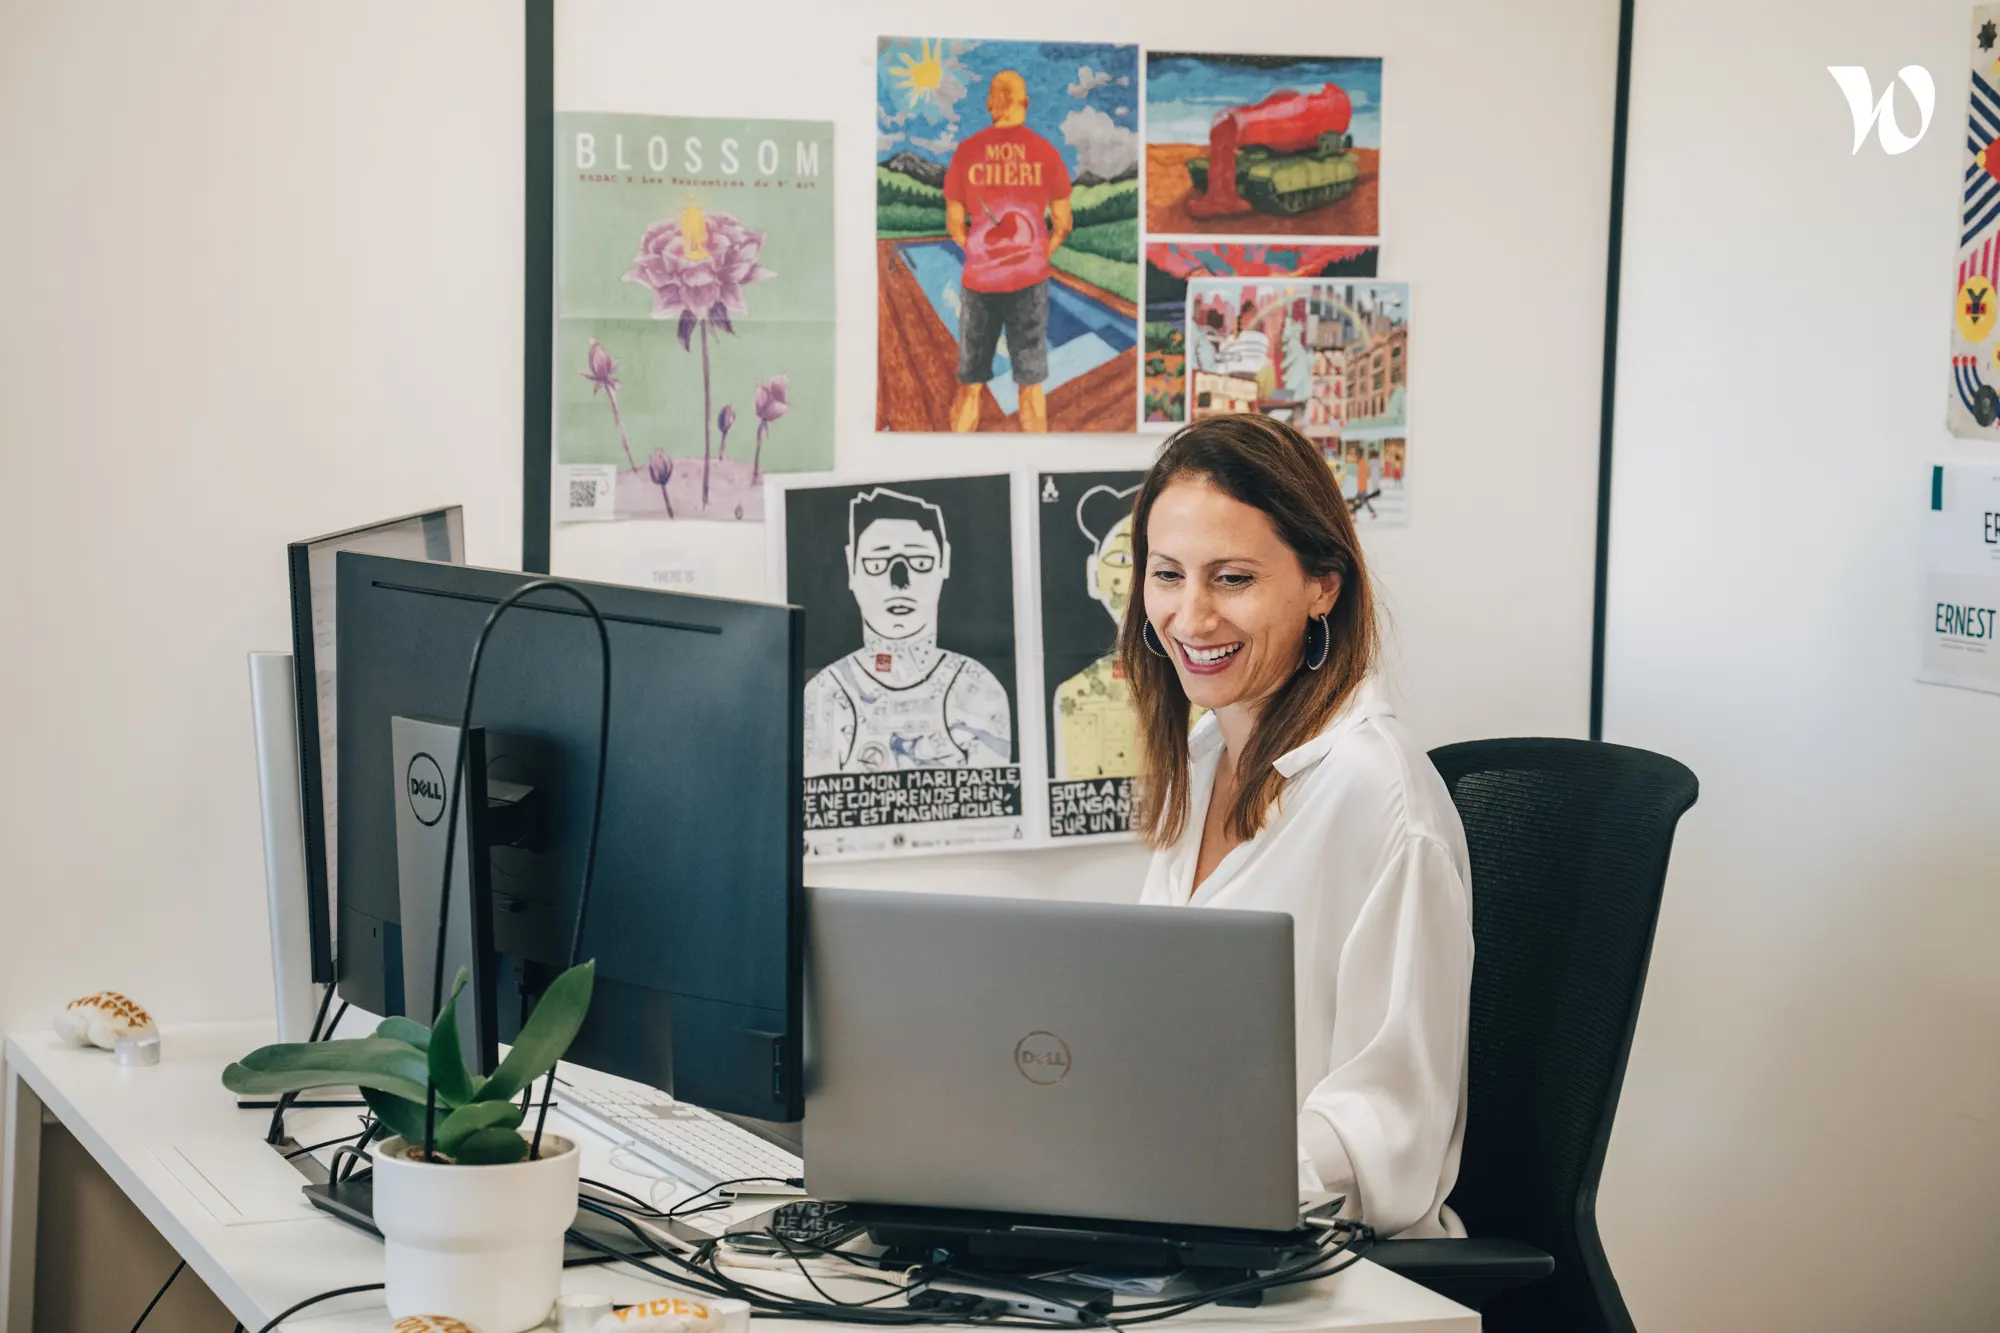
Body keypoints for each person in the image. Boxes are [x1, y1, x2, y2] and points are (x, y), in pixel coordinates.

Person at [1118, 414, 1472, 1239]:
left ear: (1322, 585)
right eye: (1167, 574)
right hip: (1187, 1223)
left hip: (1327, 1261)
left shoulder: (1381, 800)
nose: (1190, 616)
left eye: (1232, 578)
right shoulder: (1205, 756)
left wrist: (1186, 1176)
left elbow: (1388, 1141)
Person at [804, 487, 1012, 776]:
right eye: (877, 564)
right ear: (852, 566)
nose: (899, 583)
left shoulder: (976, 688)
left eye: (920, 563)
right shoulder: (824, 694)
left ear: (944, 561)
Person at [943, 69, 1072, 434]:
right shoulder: (1045, 152)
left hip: (980, 282)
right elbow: (1063, 223)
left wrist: (982, 254)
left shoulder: (967, 153)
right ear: (1024, 104)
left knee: (970, 388)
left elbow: (954, 225)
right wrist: (1038, 255)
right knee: (1031, 387)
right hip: (1029, 282)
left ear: (990, 105)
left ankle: (955, 465)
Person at [1053, 484, 1140, 780]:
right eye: (1122, 560)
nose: (1137, 577)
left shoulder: (1218, 689)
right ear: (1094, 575)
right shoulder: (1076, 694)